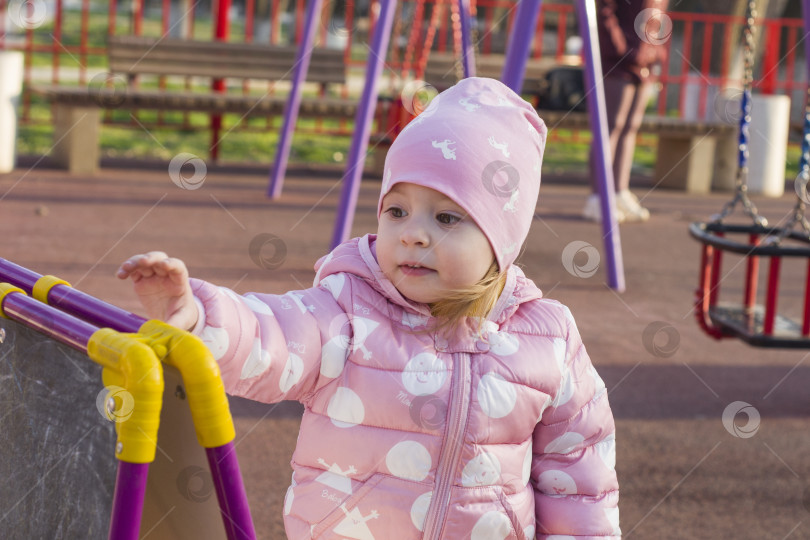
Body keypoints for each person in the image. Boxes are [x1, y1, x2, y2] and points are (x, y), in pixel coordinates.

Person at [118, 78, 620, 539]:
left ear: (501, 241)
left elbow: (579, 477)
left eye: (446, 217)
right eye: (396, 210)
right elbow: (271, 332)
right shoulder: (348, 311)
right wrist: (196, 315)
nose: (412, 233)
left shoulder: (546, 339)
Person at [584, 0, 670, 223]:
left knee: (630, 128)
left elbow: (656, 18)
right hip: (617, 62)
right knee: (610, 126)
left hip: (645, 60)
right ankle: (598, 197)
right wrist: (621, 47)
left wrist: (655, 50)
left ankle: (619, 190)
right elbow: (604, 12)